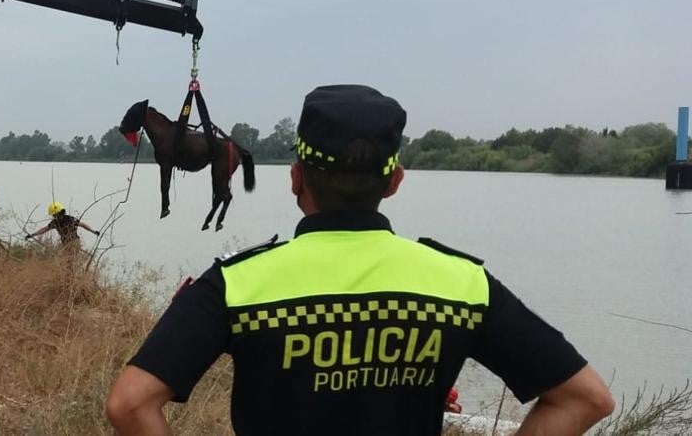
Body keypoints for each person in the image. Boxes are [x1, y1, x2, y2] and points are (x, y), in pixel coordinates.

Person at [105, 85, 615, 436]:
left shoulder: (236, 285)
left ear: (295, 176)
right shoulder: (463, 285)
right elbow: (585, 398)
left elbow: (130, 404)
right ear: (394, 183)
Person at [25, 201, 99, 246]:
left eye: (54, 214)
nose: (53, 216)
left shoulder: (70, 219)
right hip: (64, 244)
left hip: (74, 243)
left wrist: (93, 231)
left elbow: (83, 225)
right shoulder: (55, 222)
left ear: (59, 213)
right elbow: (44, 229)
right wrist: (32, 235)